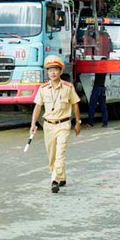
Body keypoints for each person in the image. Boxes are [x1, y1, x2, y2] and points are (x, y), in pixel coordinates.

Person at [30, 55, 82, 193]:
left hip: (64, 125)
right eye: (50, 70)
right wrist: (33, 124)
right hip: (48, 126)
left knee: (60, 153)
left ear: (60, 71)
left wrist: (78, 122)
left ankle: (54, 180)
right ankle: (61, 176)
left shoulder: (68, 87)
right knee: (52, 155)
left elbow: (75, 104)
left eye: (55, 70)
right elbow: (37, 107)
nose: (52, 73)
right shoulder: (43, 88)